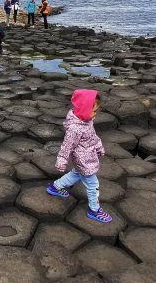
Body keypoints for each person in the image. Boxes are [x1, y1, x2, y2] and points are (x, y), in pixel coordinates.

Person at [46, 90, 112, 223]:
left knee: (75, 174)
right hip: (83, 160)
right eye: (94, 110)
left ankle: (55, 187)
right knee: (93, 184)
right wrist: (62, 160)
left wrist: (99, 147)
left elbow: (93, 136)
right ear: (84, 109)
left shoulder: (87, 121)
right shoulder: (75, 128)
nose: (95, 114)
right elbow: (67, 146)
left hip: (87, 156)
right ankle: (94, 210)